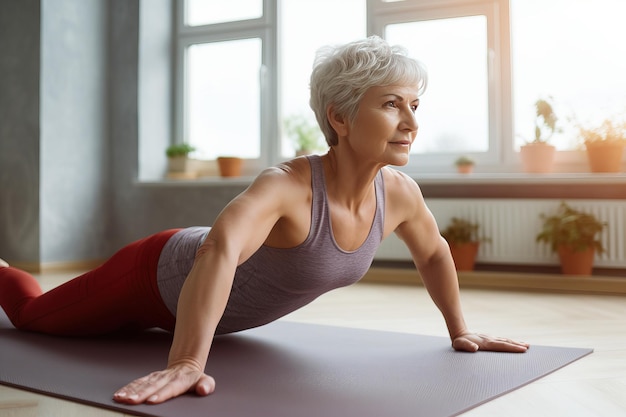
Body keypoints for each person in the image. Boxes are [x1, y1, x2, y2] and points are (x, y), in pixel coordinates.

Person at [0, 36, 529, 405]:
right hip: (152, 275)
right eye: (392, 104)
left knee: (115, 335)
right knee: (31, 316)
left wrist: (460, 330)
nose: (412, 122)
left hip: (200, 313)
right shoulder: (287, 185)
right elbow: (218, 251)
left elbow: (434, 251)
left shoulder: (401, 194)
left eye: (415, 104)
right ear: (339, 117)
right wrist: (186, 362)